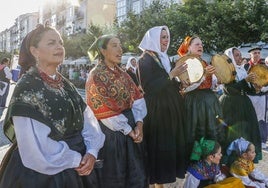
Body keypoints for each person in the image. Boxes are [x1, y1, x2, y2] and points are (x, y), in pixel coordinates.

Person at [0, 24, 105, 188]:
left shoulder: (65, 84)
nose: (59, 47)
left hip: (80, 165)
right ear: (34, 51)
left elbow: (88, 120)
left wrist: (92, 152)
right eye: (51, 43)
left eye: (60, 42)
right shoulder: (27, 86)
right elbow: (35, 145)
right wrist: (77, 159)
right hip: (44, 173)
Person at [86, 34, 148, 188]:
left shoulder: (124, 74)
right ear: (103, 50)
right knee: (116, 176)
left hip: (132, 129)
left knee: (136, 175)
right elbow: (104, 111)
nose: (120, 49)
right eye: (114, 45)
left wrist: (139, 125)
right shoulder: (96, 76)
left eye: (120, 45)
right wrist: (129, 130)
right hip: (112, 135)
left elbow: (138, 99)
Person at [138, 25, 188, 187]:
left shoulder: (163, 57)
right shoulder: (144, 59)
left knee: (170, 145)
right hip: (158, 112)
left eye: (167, 37)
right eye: (162, 37)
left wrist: (180, 83)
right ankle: (158, 182)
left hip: (171, 109)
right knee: (160, 147)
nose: (166, 41)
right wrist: (172, 75)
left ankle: (166, 180)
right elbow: (150, 88)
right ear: (153, 39)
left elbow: (168, 83)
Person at [177, 36, 225, 165]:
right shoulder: (185, 63)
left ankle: (211, 160)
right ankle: (197, 163)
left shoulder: (204, 62)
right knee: (198, 132)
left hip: (210, 100)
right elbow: (187, 87)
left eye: (201, 44)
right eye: (197, 44)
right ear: (189, 47)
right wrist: (205, 75)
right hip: (195, 102)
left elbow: (212, 84)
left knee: (211, 130)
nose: (200, 46)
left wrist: (217, 80)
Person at [220, 47, 262, 165]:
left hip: (244, 105)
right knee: (233, 134)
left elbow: (247, 90)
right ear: (230, 58)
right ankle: (231, 163)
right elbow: (228, 90)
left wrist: (256, 89)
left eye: (240, 55)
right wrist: (245, 81)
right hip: (230, 106)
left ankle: (244, 162)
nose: (240, 58)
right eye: (237, 55)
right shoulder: (225, 71)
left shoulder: (242, 70)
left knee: (247, 132)